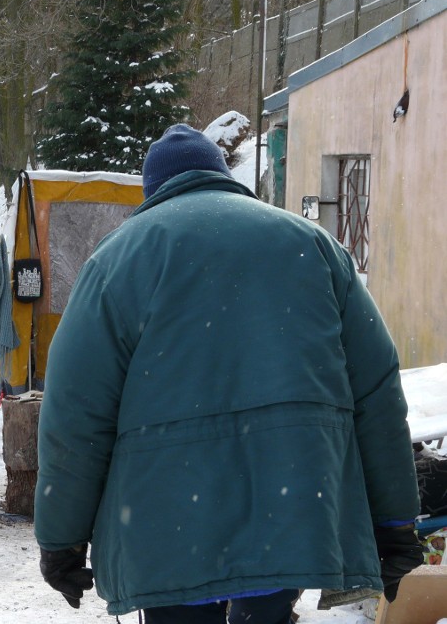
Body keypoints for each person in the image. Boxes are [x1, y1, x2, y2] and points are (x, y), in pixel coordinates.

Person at [33, 124, 424, 623]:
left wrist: (61, 539)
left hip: (167, 521)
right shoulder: (314, 246)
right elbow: (377, 392)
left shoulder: (117, 261)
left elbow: (74, 414)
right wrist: (395, 522)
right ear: (221, 177)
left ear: (153, 193)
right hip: (292, 506)